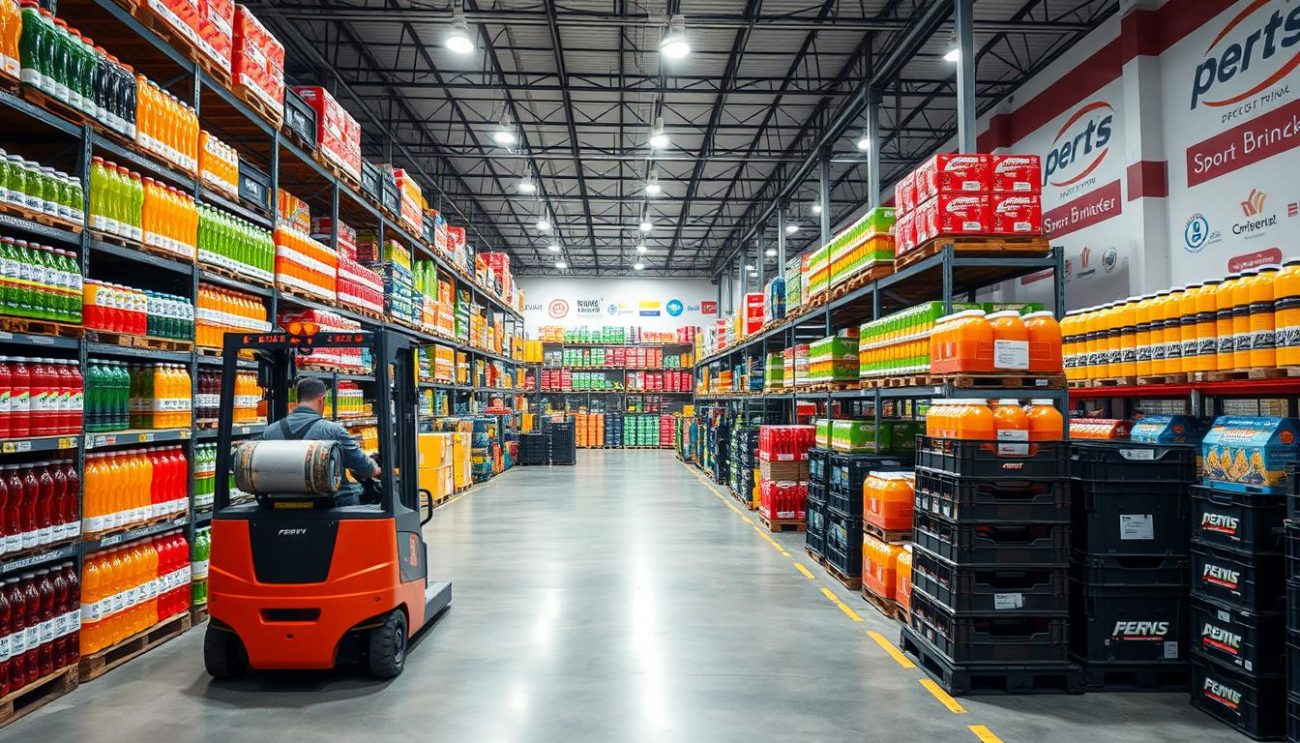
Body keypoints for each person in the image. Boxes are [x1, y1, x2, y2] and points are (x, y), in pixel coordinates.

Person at [261, 377, 380, 506]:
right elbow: (367, 469)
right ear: (322, 400)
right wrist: (375, 468)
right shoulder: (333, 431)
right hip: (330, 505)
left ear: (297, 400)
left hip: (280, 504)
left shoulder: (270, 432)